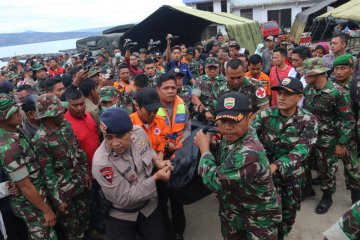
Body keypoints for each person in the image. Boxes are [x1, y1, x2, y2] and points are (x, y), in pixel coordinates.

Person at [194, 92, 282, 239]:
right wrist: (215, 144)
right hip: (235, 210)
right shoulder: (238, 134)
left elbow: (215, 182)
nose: (228, 127)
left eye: (235, 121)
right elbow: (230, 149)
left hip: (257, 218)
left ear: (249, 118)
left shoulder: (250, 151)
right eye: (223, 121)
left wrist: (205, 150)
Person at [252, 77, 318, 239]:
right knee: (263, 215)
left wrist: (276, 165)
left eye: (287, 94)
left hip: (290, 178)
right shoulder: (265, 115)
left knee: (287, 217)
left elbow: (302, 150)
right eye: (279, 93)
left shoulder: (308, 120)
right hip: (264, 177)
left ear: (299, 97)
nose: (281, 97)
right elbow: (250, 138)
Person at [92, 108, 172, 240]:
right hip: (121, 215)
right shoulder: (102, 163)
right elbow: (124, 198)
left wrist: (157, 162)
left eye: (120, 136)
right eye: (109, 137)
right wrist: (156, 177)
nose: (115, 143)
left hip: (149, 207)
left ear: (130, 132)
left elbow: (149, 151)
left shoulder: (139, 133)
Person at [32, 93, 91, 239]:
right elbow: (48, 173)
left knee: (85, 217)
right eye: (59, 111)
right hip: (65, 193)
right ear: (50, 116)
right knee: (73, 228)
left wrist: (86, 173)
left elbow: (77, 150)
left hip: (80, 183)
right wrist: (58, 200)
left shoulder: (65, 125)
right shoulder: (40, 140)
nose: (63, 113)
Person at [302, 58, 356, 214]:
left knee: (327, 169)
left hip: (329, 139)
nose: (305, 77)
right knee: (306, 163)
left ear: (316, 73)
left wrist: (341, 144)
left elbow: (348, 121)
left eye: (306, 74)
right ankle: (308, 189)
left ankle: (327, 197)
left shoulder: (338, 93)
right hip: (310, 135)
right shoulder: (309, 90)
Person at [0, 94, 57, 239]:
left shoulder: (15, 130)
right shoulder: (9, 146)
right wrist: (45, 210)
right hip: (32, 204)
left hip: (36, 195)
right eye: (14, 112)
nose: (20, 114)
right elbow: (24, 185)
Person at [156, 73, 191, 239]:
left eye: (173, 87)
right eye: (166, 88)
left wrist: (181, 142)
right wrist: (165, 145)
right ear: (158, 90)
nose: (171, 91)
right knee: (161, 197)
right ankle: (164, 228)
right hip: (159, 157)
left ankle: (178, 230)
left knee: (177, 195)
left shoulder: (182, 104)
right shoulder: (152, 107)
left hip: (178, 154)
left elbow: (187, 127)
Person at [333, 54, 360, 203]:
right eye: (336, 68)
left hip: (350, 136)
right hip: (334, 133)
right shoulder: (332, 86)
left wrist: (343, 142)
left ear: (352, 69)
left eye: (343, 68)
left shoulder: (356, 87)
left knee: (352, 170)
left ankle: (356, 200)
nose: (338, 72)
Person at [130, 88, 167, 161]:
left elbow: (161, 145)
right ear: (137, 106)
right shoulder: (129, 124)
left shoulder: (161, 121)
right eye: (149, 110)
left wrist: (159, 162)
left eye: (156, 109)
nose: (153, 114)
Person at [191, 57, 226, 122]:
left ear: (219, 68)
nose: (212, 71)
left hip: (222, 115)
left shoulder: (225, 81)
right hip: (205, 115)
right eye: (210, 68)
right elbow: (194, 97)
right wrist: (205, 110)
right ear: (205, 68)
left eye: (215, 68)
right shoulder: (199, 80)